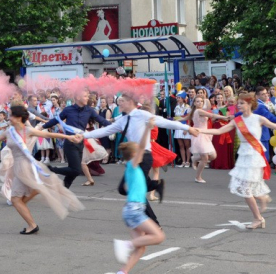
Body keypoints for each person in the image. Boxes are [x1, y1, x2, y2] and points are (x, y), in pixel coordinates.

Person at [82, 93, 200, 226]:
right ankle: (156, 185)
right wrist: (83, 135)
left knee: (135, 190)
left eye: (122, 101)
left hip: (144, 157)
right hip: (132, 158)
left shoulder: (142, 115)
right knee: (123, 189)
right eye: (119, 100)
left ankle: (154, 223)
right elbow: (105, 130)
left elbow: (165, 122)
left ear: (130, 102)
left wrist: (188, 128)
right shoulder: (123, 119)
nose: (119, 103)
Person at [0, 105, 84, 234]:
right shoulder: (10, 131)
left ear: (18, 118)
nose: (9, 118)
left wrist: (69, 137)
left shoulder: (27, 130)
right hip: (19, 167)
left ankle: (32, 224)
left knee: (15, 199)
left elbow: (48, 134)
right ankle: (36, 196)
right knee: (17, 200)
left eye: (11, 115)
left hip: (25, 167)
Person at [199, 93, 276, 229]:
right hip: (243, 156)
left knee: (246, 189)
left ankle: (258, 218)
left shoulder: (258, 119)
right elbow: (220, 131)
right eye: (238, 103)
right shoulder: (237, 120)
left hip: (254, 155)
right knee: (247, 186)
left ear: (250, 104)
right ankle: (262, 199)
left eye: (242, 103)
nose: (238, 105)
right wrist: (200, 131)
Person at [112, 117, 165, 274]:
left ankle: (122, 272)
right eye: (140, 152)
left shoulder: (132, 171)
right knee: (159, 236)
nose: (144, 152)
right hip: (135, 210)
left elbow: (127, 187)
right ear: (135, 154)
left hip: (131, 209)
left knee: (141, 247)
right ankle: (125, 244)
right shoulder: (133, 165)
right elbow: (142, 146)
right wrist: (147, 128)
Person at [39, 89, 111, 188]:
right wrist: (42, 127)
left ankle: (64, 189)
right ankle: (49, 169)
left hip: (80, 143)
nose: (88, 98)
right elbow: (56, 120)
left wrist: (116, 127)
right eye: (85, 96)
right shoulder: (68, 110)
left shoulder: (89, 110)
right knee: (76, 170)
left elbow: (102, 120)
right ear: (78, 97)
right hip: (70, 143)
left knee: (73, 170)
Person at [189, 97, 231, 183]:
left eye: (201, 101)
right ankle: (198, 177)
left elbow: (209, 111)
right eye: (198, 101)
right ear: (194, 103)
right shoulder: (198, 111)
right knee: (205, 158)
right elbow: (212, 115)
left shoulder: (199, 111)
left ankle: (195, 158)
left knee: (213, 156)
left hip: (205, 134)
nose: (200, 103)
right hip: (200, 135)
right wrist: (224, 117)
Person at [172, 92, 191, 167]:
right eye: (177, 98)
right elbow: (176, 117)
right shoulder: (176, 107)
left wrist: (186, 128)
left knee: (187, 145)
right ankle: (183, 161)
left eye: (179, 98)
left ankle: (188, 161)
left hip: (185, 126)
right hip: (178, 126)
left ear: (183, 99)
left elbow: (189, 119)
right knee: (181, 145)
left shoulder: (187, 107)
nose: (177, 99)